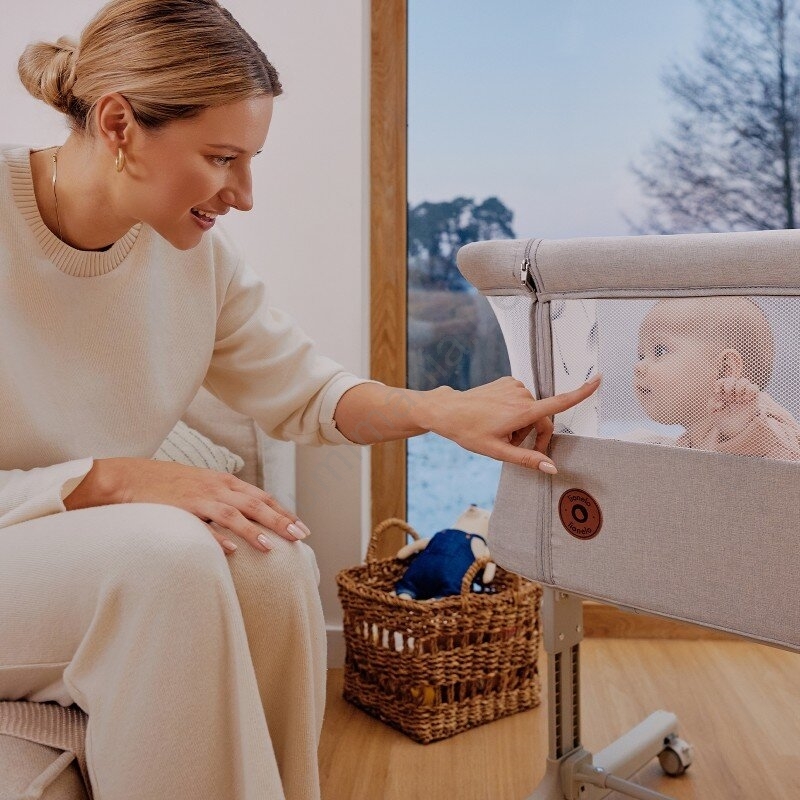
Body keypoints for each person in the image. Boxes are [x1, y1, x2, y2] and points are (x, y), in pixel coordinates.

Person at [0, 2, 601, 799]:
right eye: (221, 158)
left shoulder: (193, 260)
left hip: (60, 549)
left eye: (249, 161)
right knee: (168, 559)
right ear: (118, 125)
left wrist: (437, 410)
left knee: (270, 561)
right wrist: (106, 479)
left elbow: (308, 391)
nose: (243, 194)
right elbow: (115, 495)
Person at [633, 297, 800, 460]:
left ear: (724, 370)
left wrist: (744, 431)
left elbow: (790, 465)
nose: (638, 366)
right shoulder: (688, 442)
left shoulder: (757, 420)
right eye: (641, 356)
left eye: (659, 351)